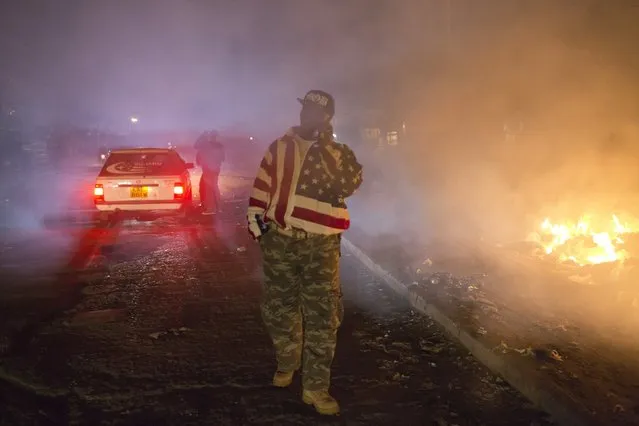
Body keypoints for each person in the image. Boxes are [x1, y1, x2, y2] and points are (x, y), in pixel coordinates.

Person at [247, 90, 363, 415]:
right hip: (280, 241)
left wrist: (325, 145)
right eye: (306, 110)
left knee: (323, 316)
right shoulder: (279, 147)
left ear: (328, 118)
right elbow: (260, 190)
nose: (309, 116)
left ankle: (315, 388)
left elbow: (348, 184)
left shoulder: (339, 153)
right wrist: (260, 233)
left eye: (318, 112)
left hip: (321, 245)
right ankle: (288, 359)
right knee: (278, 308)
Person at [195, 130, 225, 214]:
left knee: (208, 189)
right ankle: (218, 208)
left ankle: (210, 209)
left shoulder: (206, 145)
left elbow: (196, 145)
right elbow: (223, 158)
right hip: (215, 169)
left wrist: (202, 135)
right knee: (214, 187)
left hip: (208, 169)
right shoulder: (219, 146)